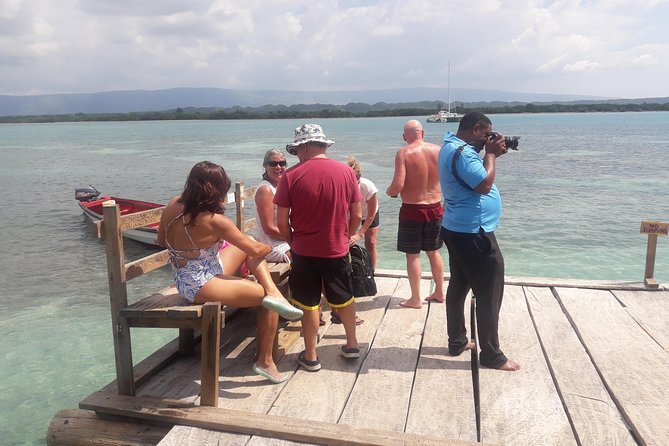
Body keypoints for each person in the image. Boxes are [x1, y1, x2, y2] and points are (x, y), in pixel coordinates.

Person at [157, 161, 303, 384]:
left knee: (250, 243)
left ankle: (274, 292)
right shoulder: (216, 221)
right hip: (200, 285)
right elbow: (255, 250)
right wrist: (267, 248)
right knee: (266, 298)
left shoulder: (173, 204)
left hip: (185, 277)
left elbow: (160, 241)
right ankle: (264, 361)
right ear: (218, 189)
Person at [275, 124, 363, 372]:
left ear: (303, 147)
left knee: (309, 302)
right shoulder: (346, 172)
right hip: (336, 247)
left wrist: (293, 242)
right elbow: (357, 212)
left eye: (297, 150)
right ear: (323, 145)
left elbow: (281, 221)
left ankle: (311, 355)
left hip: (304, 250)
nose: (296, 155)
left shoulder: (291, 176)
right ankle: (352, 344)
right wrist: (345, 236)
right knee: (344, 296)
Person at [438, 112, 520, 371]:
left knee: (459, 285)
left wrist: (488, 153)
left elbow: (475, 178)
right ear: (475, 129)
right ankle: (492, 355)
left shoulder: (451, 146)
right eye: (487, 135)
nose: (489, 140)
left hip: (456, 228)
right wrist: (492, 155)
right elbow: (484, 185)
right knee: (489, 293)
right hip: (474, 233)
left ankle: (457, 341)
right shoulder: (462, 153)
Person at [386, 119, 445, 309]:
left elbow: (398, 185)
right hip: (436, 207)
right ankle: (439, 291)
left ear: (405, 136)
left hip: (413, 209)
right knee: (434, 252)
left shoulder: (403, 153)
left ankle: (415, 299)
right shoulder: (438, 150)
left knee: (412, 255)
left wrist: (390, 192)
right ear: (423, 132)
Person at [254, 149, 291, 263]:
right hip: (271, 245)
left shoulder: (282, 187)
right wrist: (295, 239)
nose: (278, 167)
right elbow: (269, 229)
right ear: (265, 166)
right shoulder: (265, 190)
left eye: (282, 163)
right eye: (273, 164)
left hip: (285, 240)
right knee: (309, 253)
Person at [346, 156, 379, 271]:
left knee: (370, 242)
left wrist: (359, 234)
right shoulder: (343, 187)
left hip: (368, 213)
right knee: (348, 240)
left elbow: (371, 215)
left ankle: (372, 271)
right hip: (352, 212)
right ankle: (351, 268)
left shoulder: (368, 187)